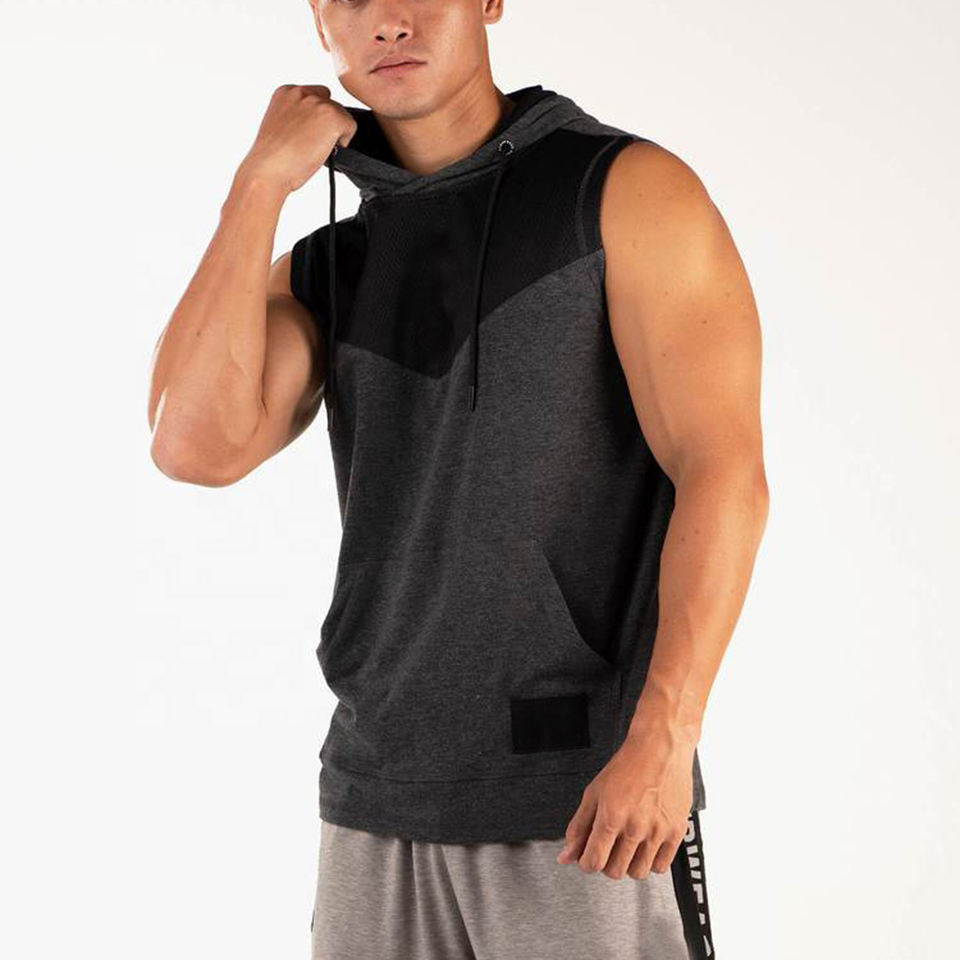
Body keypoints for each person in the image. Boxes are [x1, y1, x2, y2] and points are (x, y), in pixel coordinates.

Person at [148, 1, 767, 957]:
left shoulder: (621, 191)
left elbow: (723, 472)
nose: (389, 21)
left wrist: (665, 737)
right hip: (375, 792)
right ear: (319, 21)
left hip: (582, 800)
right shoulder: (332, 262)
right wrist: (257, 186)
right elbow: (192, 446)